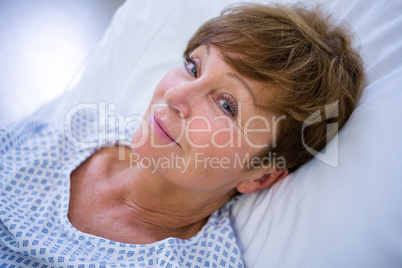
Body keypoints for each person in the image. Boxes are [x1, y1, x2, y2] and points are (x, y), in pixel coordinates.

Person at [0, 2, 364, 267]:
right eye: (193, 66)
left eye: (226, 105)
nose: (173, 96)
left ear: (261, 175)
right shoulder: (81, 129)